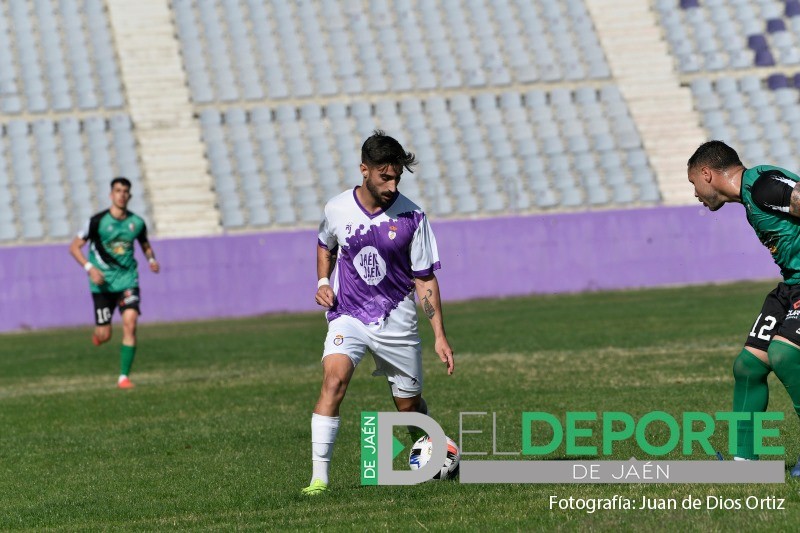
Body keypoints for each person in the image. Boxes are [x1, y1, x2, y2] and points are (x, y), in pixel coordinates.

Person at [302, 131, 455, 495]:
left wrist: (439, 335)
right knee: (333, 381)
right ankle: (318, 479)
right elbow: (326, 244)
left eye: (397, 177)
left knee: (408, 406)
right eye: (385, 176)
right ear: (364, 170)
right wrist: (323, 280)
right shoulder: (337, 208)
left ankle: (427, 441)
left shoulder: (413, 216)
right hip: (348, 314)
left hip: (396, 320)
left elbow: (424, 280)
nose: (392, 184)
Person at [688, 140, 800, 473]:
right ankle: (743, 465)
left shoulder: (763, 185)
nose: (695, 193)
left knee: (785, 354)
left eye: (693, 183)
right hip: (790, 287)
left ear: (706, 174)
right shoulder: (752, 197)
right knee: (748, 367)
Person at [68, 177, 159, 389]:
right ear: (111, 194)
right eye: (118, 190)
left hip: (128, 280)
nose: (122, 194)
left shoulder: (136, 223)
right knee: (105, 334)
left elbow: (145, 244)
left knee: (130, 322)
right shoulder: (97, 221)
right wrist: (90, 269)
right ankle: (99, 334)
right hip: (102, 284)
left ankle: (123, 377)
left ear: (129, 195)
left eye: (125, 191)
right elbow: (74, 247)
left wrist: (152, 260)